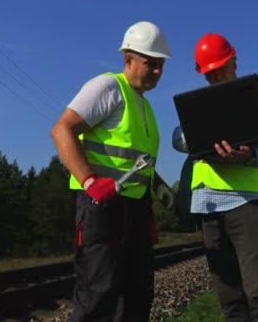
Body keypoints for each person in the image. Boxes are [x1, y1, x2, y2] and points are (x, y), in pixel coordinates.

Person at [51, 21, 174, 322]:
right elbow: (62, 130)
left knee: (137, 297)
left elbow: (136, 161)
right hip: (103, 209)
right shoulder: (108, 87)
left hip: (136, 210)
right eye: (151, 64)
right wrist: (89, 180)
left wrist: (158, 186)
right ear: (128, 59)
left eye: (160, 65)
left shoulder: (144, 105)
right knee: (99, 297)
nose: (157, 72)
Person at [172, 33, 258, 321]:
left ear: (234, 60)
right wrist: (199, 141)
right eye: (208, 73)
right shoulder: (200, 103)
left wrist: (250, 155)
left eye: (219, 69)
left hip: (249, 204)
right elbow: (179, 137)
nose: (214, 77)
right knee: (230, 301)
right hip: (209, 207)